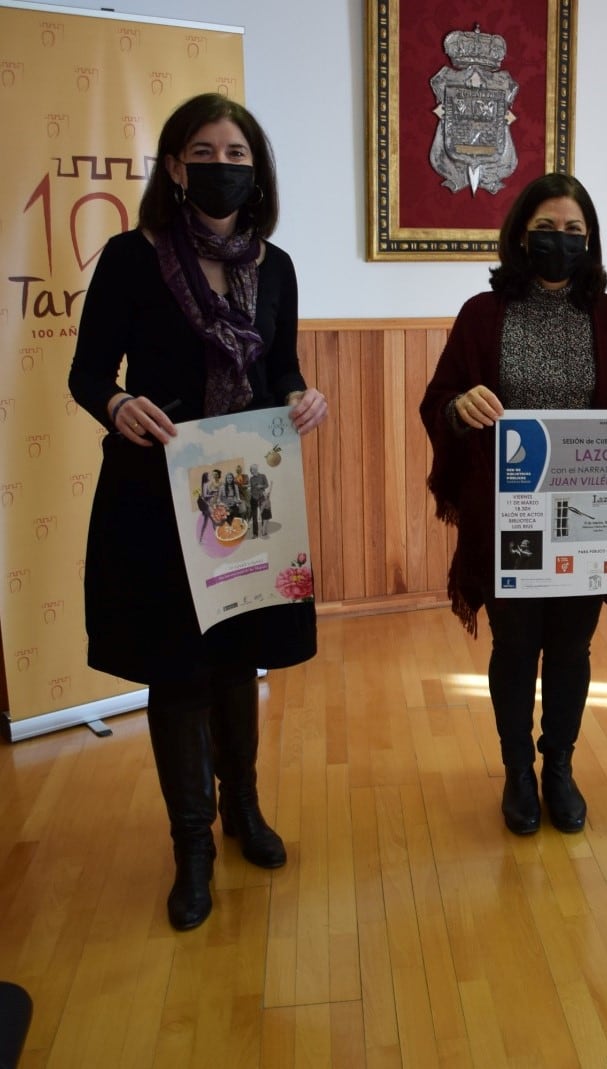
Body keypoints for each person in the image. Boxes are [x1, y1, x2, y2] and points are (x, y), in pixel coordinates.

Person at [68, 93, 328, 930]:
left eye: (239, 152)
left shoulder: (276, 266)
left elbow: (280, 368)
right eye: (207, 151)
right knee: (178, 670)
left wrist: (302, 396)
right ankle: (192, 849)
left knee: (236, 659)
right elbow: (86, 374)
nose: (225, 164)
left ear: (257, 171)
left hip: (248, 493)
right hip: (155, 494)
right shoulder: (129, 257)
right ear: (177, 166)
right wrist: (117, 406)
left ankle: (241, 812)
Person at [420, 173, 607, 837]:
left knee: (572, 645)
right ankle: (516, 770)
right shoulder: (482, 313)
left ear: (591, 242)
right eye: (548, 230)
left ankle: (558, 764)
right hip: (511, 516)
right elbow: (438, 400)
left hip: (585, 516)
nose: (561, 243)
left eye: (574, 232)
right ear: (521, 236)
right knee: (516, 642)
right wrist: (459, 407)